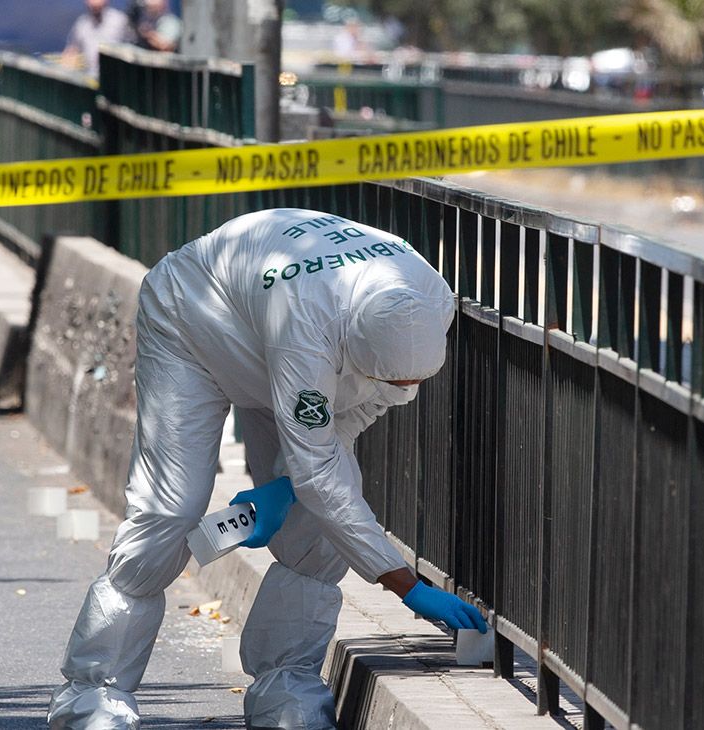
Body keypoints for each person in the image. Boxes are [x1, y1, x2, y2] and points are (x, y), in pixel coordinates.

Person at [48, 208, 487, 729]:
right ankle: (94, 691)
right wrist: (404, 584)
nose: (403, 392)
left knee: (316, 532)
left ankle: (287, 687)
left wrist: (285, 485)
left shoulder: (429, 301)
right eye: (388, 379)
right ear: (350, 341)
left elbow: (354, 414)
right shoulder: (307, 328)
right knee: (171, 510)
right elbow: (318, 468)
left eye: (410, 383)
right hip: (192, 325)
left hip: (267, 335)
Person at [61, 0, 131, 76]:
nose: (95, 4)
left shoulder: (120, 20)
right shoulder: (82, 24)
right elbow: (72, 51)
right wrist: (65, 71)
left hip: (116, 76)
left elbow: (133, 46)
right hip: (91, 77)